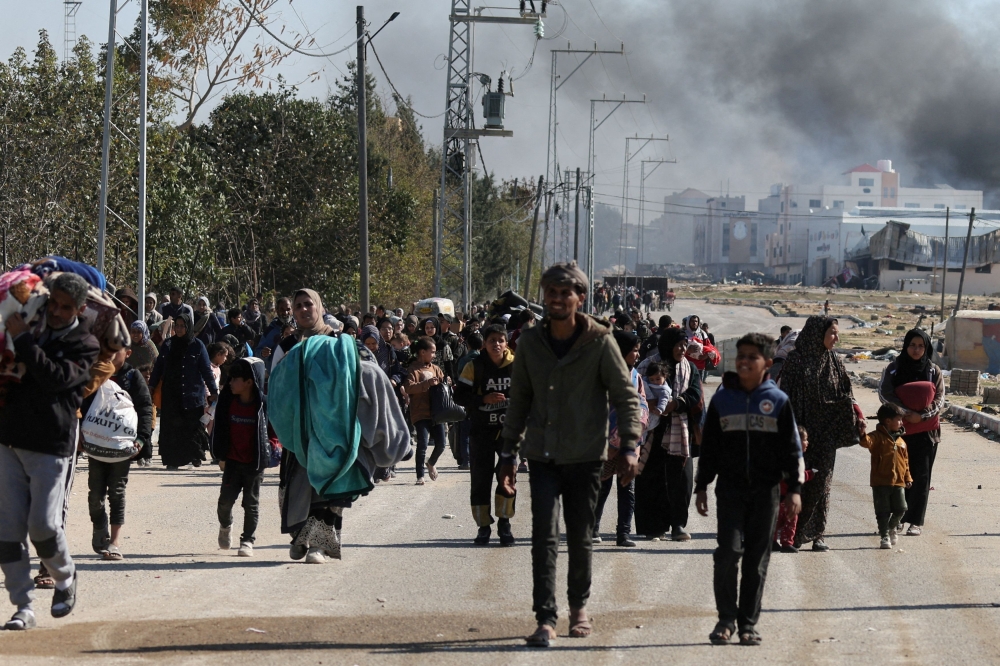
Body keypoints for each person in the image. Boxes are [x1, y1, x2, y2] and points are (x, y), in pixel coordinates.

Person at [499, 262, 642, 648]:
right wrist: (508, 455)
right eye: (552, 293)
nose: (558, 299)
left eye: (566, 293)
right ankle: (545, 618)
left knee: (580, 537)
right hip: (542, 456)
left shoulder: (599, 340)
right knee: (543, 537)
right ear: (544, 296)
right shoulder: (530, 342)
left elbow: (626, 396)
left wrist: (629, 445)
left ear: (580, 298)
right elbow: (519, 402)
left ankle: (578, 607)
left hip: (585, 456)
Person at [269, 288, 411, 564]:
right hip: (300, 433)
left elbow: (365, 373)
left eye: (308, 304)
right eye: (298, 305)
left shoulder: (341, 343)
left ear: (320, 307)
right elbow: (276, 386)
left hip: (337, 428)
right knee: (298, 490)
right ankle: (302, 537)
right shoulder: (286, 347)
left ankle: (319, 547)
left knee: (334, 488)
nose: (303, 309)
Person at [0, 273, 99, 629]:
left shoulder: (84, 344)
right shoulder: (28, 325)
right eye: (53, 303)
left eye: (66, 307)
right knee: (8, 533)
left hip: (50, 445)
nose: (56, 312)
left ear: (80, 309)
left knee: (42, 527)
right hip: (8, 439)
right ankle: (23, 607)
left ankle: (66, 576)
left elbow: (55, 378)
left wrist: (23, 340)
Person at [695, 332, 803, 646]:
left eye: (752, 357)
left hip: (766, 492)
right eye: (741, 356)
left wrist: (794, 489)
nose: (744, 362)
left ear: (767, 363)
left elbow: (793, 450)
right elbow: (711, 446)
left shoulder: (778, 402)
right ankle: (725, 619)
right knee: (728, 552)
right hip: (729, 490)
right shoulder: (722, 399)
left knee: (757, 559)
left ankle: (747, 624)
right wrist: (702, 485)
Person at [779, 315, 863, 551]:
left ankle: (817, 534)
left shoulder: (835, 361)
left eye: (837, 333)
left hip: (827, 432)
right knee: (797, 482)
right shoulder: (796, 360)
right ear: (818, 334)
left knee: (822, 482)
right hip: (800, 434)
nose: (836, 338)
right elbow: (784, 398)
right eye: (832, 333)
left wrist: (860, 416)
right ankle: (790, 535)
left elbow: (847, 393)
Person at [634, 327, 703, 541]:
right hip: (652, 431)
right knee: (651, 479)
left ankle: (678, 525)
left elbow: (695, 393)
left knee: (681, 481)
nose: (683, 348)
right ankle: (653, 526)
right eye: (678, 344)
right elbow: (635, 389)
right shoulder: (648, 365)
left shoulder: (690, 368)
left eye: (685, 344)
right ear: (667, 345)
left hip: (679, 431)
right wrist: (651, 404)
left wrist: (676, 404)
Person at [876, 328, 944, 537]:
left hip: (926, 433)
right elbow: (884, 394)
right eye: (912, 345)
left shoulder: (933, 371)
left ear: (926, 348)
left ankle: (915, 521)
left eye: (921, 346)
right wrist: (905, 413)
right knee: (897, 477)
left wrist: (921, 416)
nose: (916, 350)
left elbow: (940, 399)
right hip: (899, 432)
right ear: (906, 346)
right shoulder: (893, 369)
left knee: (921, 478)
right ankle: (897, 519)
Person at [88, 345, 153, 561]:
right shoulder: (95, 373)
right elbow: (83, 404)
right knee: (95, 495)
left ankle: (114, 542)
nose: (111, 353)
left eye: (117, 349)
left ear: (128, 353)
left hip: (122, 448)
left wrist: (142, 439)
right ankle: (100, 526)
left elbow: (145, 407)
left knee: (116, 491)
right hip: (96, 446)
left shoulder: (133, 377)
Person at [456, 325, 515, 544]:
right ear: (485, 343)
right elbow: (459, 396)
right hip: (481, 431)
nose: (496, 344)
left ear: (506, 343)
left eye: (500, 340)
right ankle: (483, 527)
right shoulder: (475, 366)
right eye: (492, 340)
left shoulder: (517, 366)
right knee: (480, 480)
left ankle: (505, 523)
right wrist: (483, 399)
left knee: (507, 477)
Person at [211, 357, 274, 557]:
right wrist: (220, 455)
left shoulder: (263, 405)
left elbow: (274, 429)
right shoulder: (227, 402)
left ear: (249, 382)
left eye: (235, 378)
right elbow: (219, 429)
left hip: (254, 464)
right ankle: (225, 525)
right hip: (232, 462)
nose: (230, 382)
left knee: (251, 503)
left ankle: (247, 540)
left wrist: (272, 446)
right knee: (224, 502)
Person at [593, 330, 649, 548]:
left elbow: (642, 404)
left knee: (628, 490)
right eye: (634, 350)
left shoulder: (637, 376)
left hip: (629, 443)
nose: (637, 354)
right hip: (605, 444)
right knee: (601, 486)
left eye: (638, 350)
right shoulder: (603, 373)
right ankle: (593, 528)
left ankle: (623, 534)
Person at [148, 312, 219, 469]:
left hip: (191, 394)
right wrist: (152, 385)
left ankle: (195, 456)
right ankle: (172, 460)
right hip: (171, 394)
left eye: (182, 326)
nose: (179, 329)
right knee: (172, 428)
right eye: (176, 326)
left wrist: (213, 391)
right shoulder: (168, 345)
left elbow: (207, 371)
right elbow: (158, 368)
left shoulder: (197, 346)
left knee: (192, 428)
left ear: (189, 327)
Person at [859, 403, 912, 549]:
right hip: (880, 482)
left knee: (901, 508)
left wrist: (908, 478)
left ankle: (891, 527)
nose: (901, 423)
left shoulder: (901, 441)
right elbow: (865, 442)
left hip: (899, 482)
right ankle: (884, 537)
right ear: (888, 421)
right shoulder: (877, 437)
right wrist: (862, 431)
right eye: (899, 420)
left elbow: (906, 462)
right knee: (882, 512)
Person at [404, 337, 448, 485]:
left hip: (437, 412)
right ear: (422, 352)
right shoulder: (413, 369)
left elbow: (444, 385)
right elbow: (409, 388)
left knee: (441, 443)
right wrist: (426, 384)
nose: (434, 355)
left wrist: (446, 382)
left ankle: (431, 462)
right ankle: (419, 475)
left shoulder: (435, 369)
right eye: (433, 352)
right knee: (422, 443)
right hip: (420, 412)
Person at [773, 426, 814, 553]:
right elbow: (797, 476)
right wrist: (810, 474)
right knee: (790, 520)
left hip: (777, 497)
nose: (807, 443)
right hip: (787, 497)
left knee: (775, 521)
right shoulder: (795, 458)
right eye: (805, 439)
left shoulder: (782, 455)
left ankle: (772, 542)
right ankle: (786, 543)